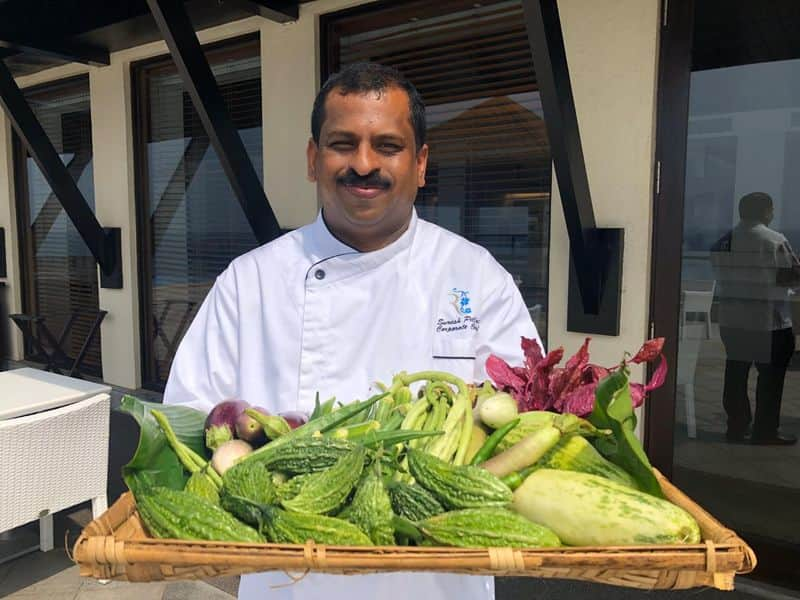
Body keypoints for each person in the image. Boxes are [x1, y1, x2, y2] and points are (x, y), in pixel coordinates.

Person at [163, 62, 540, 600]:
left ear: (421, 163)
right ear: (314, 159)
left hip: (435, 580)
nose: (364, 164)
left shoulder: (476, 277)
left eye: (387, 146)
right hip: (289, 583)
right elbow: (189, 426)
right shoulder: (250, 283)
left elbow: (521, 421)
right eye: (343, 143)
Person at [711, 192, 799, 445]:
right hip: (768, 321)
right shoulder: (774, 241)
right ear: (765, 211)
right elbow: (793, 275)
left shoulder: (724, 241)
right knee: (771, 378)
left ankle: (736, 426)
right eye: (771, 209)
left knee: (736, 373)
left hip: (732, 319)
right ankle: (765, 430)